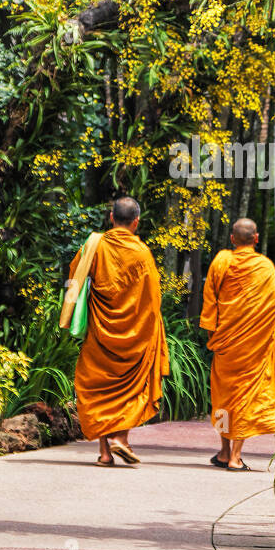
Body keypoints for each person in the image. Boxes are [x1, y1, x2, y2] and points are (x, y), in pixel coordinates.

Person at [67, 196, 170, 467]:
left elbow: (74, 275)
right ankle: (120, 439)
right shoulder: (142, 253)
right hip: (134, 335)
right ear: (136, 222)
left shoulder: (95, 245)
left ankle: (105, 452)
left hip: (100, 332)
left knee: (99, 387)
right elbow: (152, 300)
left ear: (111, 218)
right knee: (128, 389)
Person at [199, 217, 275, 471]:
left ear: (232, 239)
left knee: (224, 397)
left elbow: (210, 300)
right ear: (256, 239)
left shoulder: (221, 261)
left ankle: (225, 450)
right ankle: (233, 457)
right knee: (245, 396)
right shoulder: (265, 267)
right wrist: (261, 335)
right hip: (253, 346)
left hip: (225, 342)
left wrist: (213, 335)